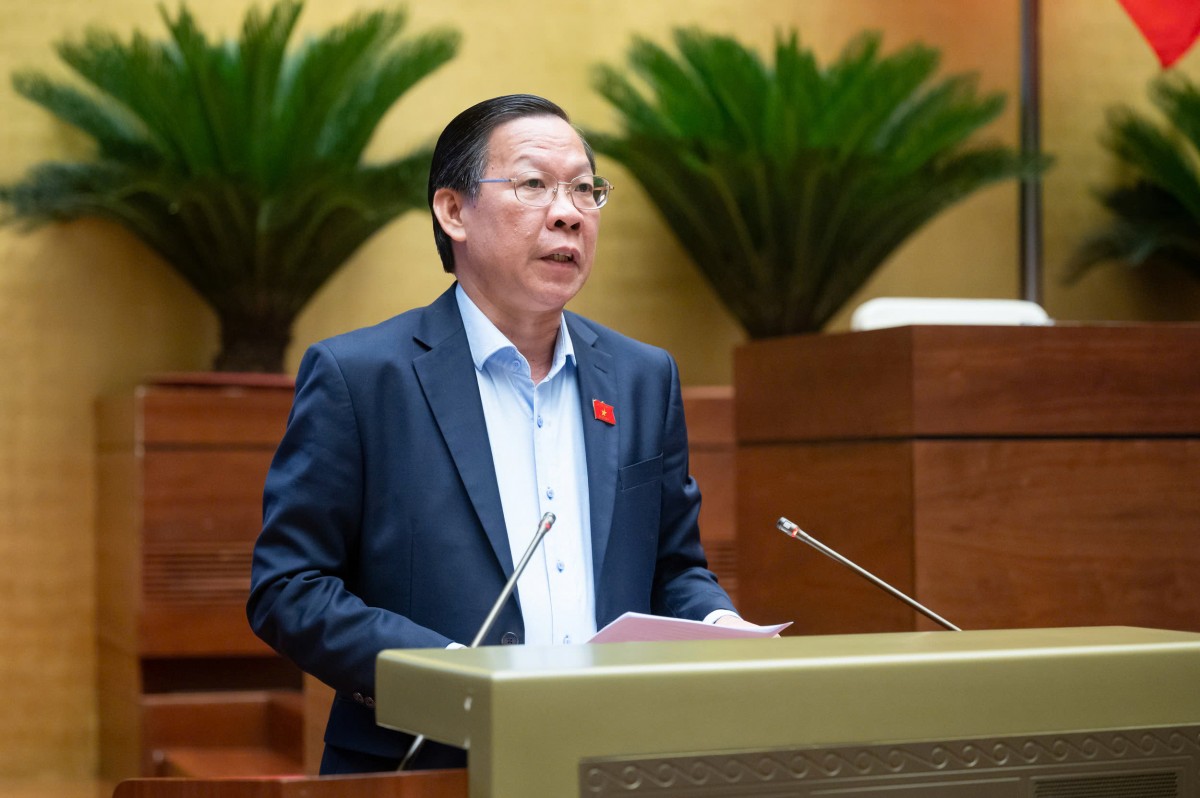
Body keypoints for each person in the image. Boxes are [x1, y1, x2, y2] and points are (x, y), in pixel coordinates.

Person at [247, 94, 756, 775]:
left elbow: (673, 567)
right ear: (453, 211)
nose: (568, 212)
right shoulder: (362, 377)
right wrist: (447, 676)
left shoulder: (642, 377)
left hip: (609, 761)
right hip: (426, 769)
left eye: (585, 189)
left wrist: (721, 627)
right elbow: (290, 587)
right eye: (533, 185)